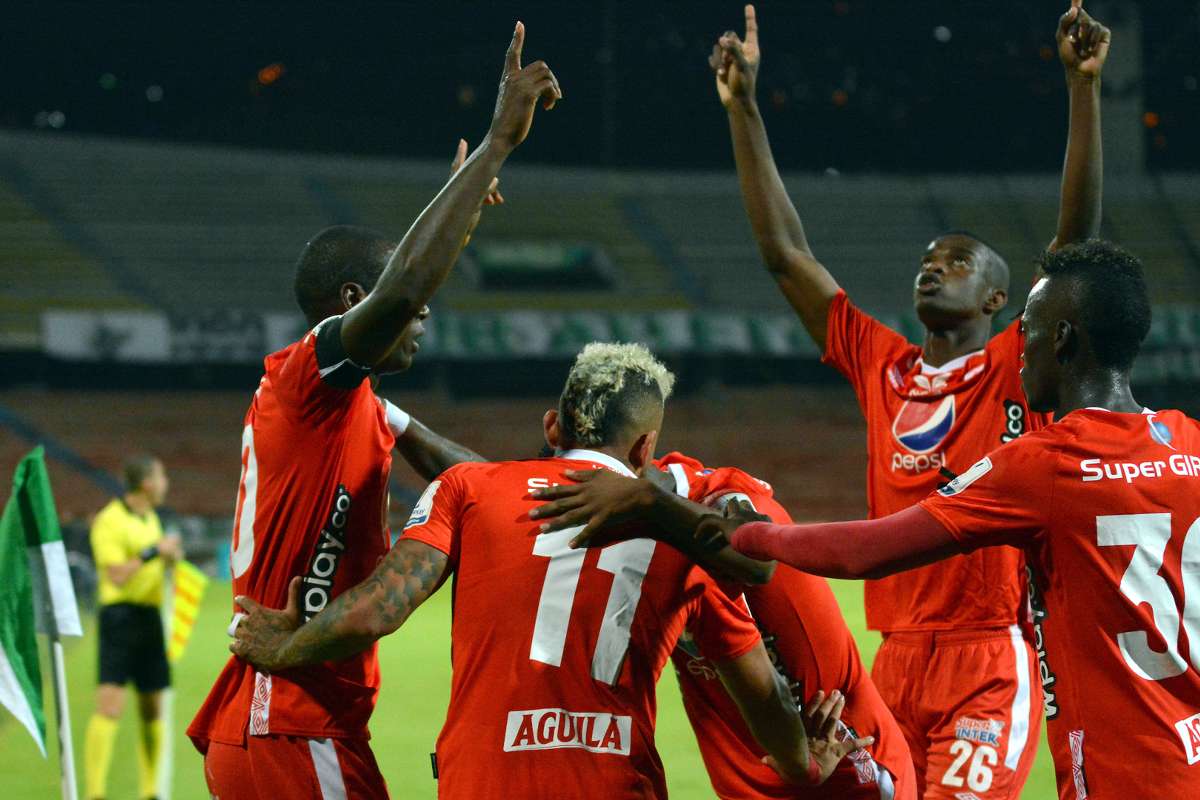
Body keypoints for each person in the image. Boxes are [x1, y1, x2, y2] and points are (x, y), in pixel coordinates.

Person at [707, 3, 1109, 794]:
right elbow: (786, 255)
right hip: (892, 655)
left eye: (958, 261)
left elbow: (1074, 250)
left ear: (1002, 302)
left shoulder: (1011, 365)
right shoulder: (879, 363)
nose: (934, 267)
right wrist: (745, 110)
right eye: (928, 259)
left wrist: (1082, 89)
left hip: (989, 652)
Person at [228, 343, 870, 799]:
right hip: (615, 783)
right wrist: (804, 761)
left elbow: (380, 607)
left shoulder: (466, 489)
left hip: (479, 783)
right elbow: (763, 699)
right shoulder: (682, 539)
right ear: (646, 449)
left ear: (552, 425)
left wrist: (284, 648)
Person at [187, 22, 563, 799]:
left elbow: (471, 479)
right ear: (351, 303)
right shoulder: (307, 377)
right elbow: (404, 293)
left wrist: (556, 490)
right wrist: (497, 143)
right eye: (406, 307)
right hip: (291, 723)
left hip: (291, 726)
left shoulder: (354, 407)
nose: (425, 319)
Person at [707, 240, 1200, 798]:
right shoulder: (1192, 442)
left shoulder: (1045, 465)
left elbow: (869, 550)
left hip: (1123, 766)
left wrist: (751, 532)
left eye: (1029, 331)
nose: (1019, 350)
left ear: (1059, 339)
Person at [85, 454, 181, 800]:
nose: (166, 484)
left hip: (149, 618)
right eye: (162, 476)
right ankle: (95, 793)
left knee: (152, 707)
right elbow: (117, 575)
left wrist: (168, 558)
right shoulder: (109, 521)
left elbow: (152, 564)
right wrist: (153, 552)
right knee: (110, 705)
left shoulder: (151, 518)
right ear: (147, 483)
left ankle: (150, 791)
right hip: (119, 617)